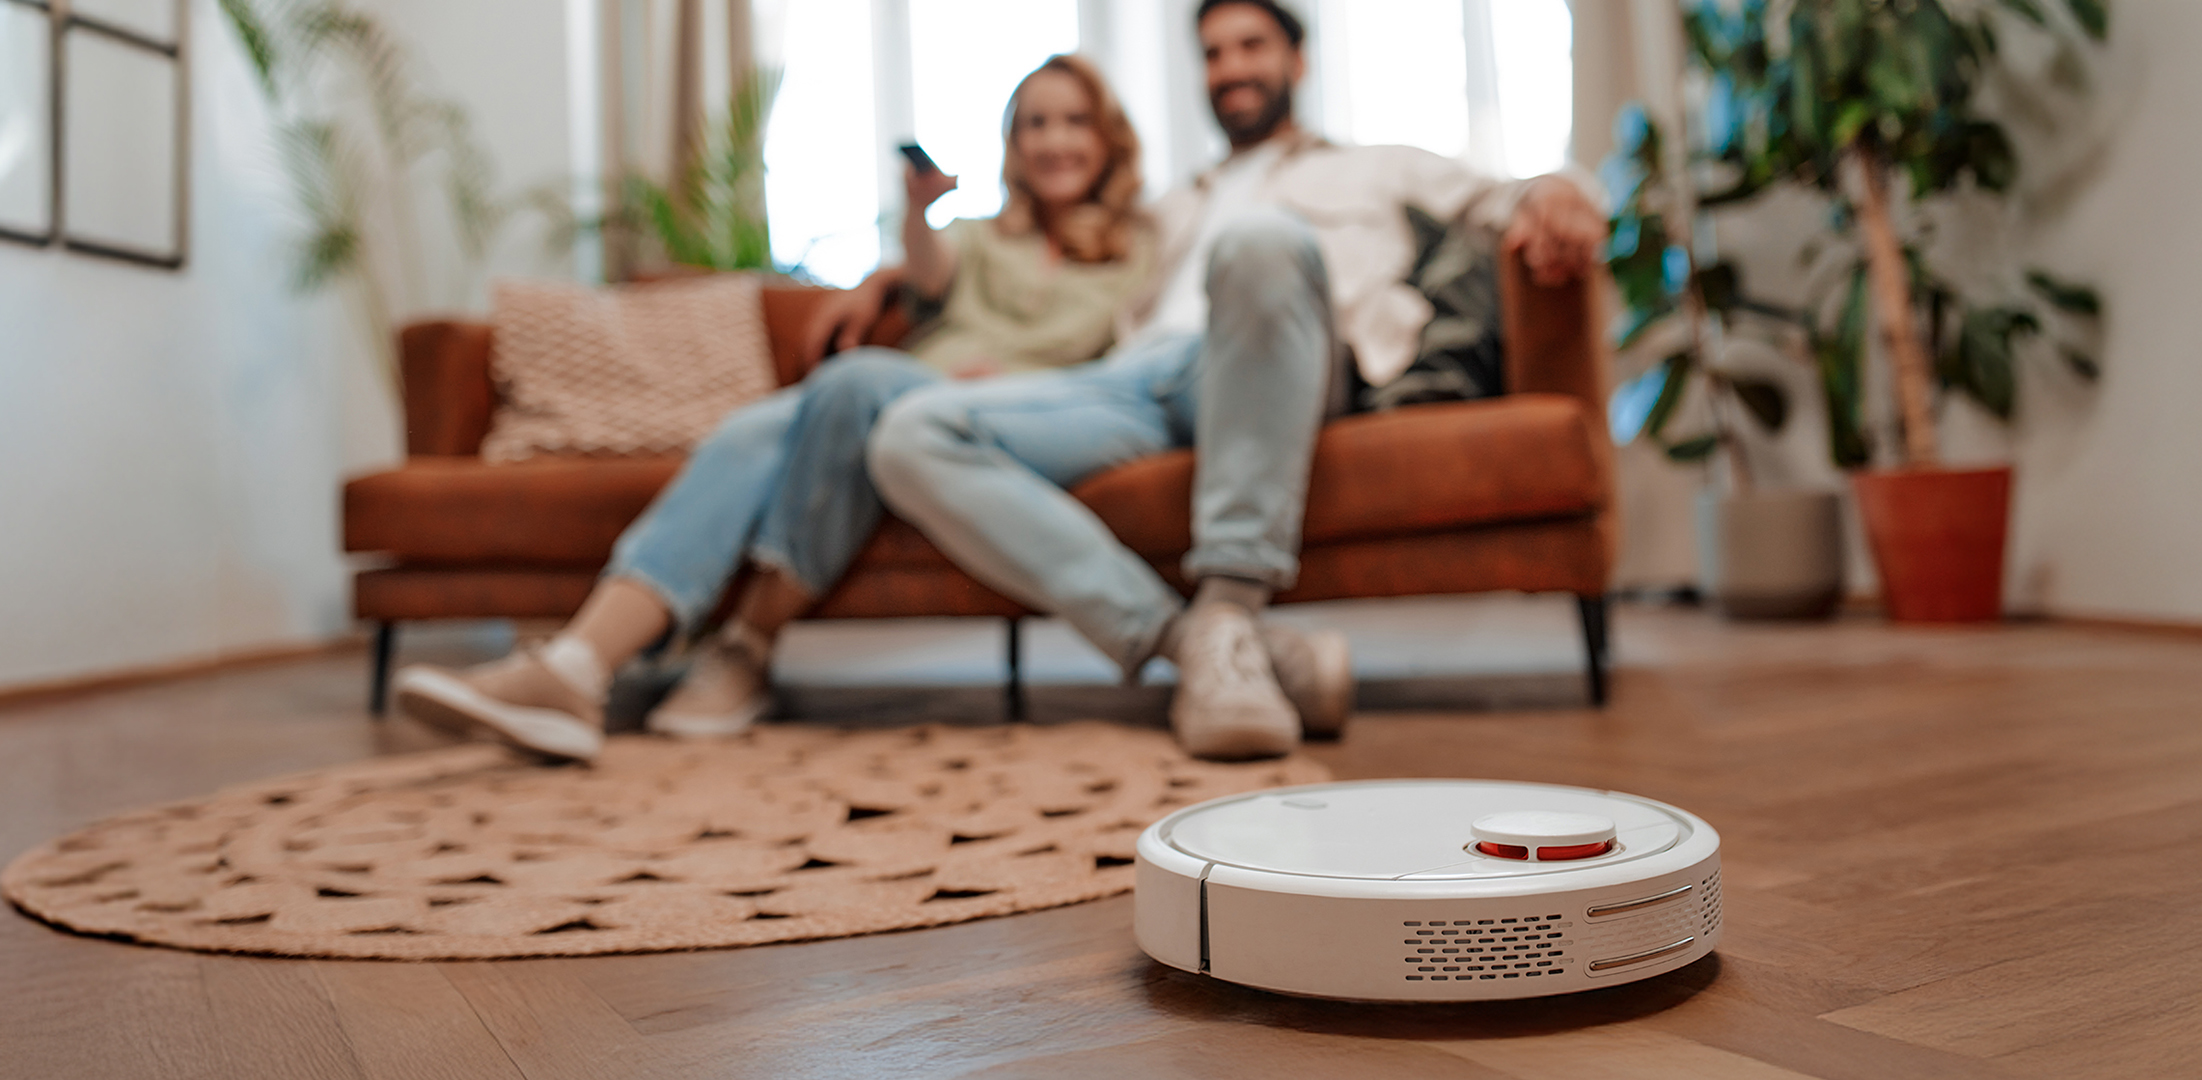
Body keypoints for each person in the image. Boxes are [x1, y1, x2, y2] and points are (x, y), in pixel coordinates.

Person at [864, 0, 1607, 760]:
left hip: (1281, 367)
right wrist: (886, 281)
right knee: (912, 433)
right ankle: (1200, 644)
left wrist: (1559, 194)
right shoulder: (1168, 208)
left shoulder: (1374, 164)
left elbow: (1512, 193)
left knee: (1260, 242)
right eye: (1214, 53)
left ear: (1299, 60)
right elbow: (1032, 252)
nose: (1232, 67)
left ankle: (1232, 596)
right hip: (1139, 380)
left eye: (1251, 45)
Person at [392, 55, 1157, 763]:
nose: (1055, 140)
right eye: (1036, 124)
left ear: (1108, 137)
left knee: (849, 384)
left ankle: (734, 648)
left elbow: (1135, 365)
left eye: (1074, 121)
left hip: (1003, 418)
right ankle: (580, 663)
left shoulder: (1146, 247)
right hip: (906, 393)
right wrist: (917, 215)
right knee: (757, 427)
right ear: (1013, 146)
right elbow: (930, 270)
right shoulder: (985, 238)